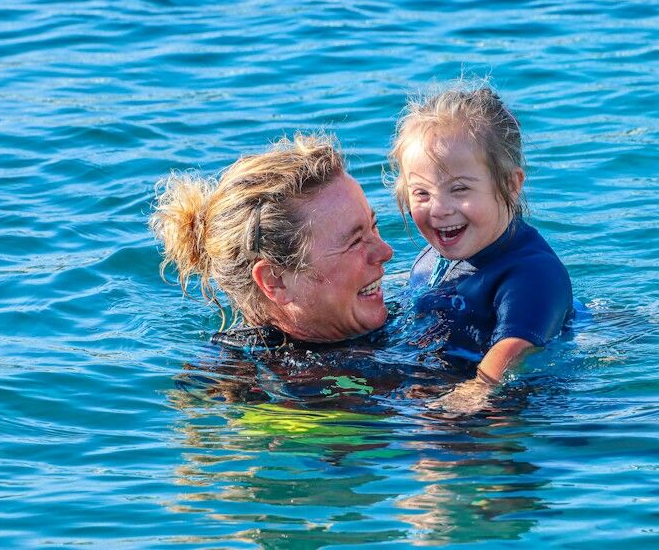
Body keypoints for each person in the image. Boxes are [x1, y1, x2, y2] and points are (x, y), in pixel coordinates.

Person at [388, 85, 574, 389]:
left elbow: (513, 349)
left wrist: (465, 398)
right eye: (422, 193)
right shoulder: (430, 259)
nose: (439, 209)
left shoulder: (533, 273)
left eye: (459, 189)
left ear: (510, 185)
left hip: (510, 399)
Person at [150, 133, 393, 347]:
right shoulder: (255, 380)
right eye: (354, 242)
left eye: (373, 226)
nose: (385, 251)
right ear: (275, 281)